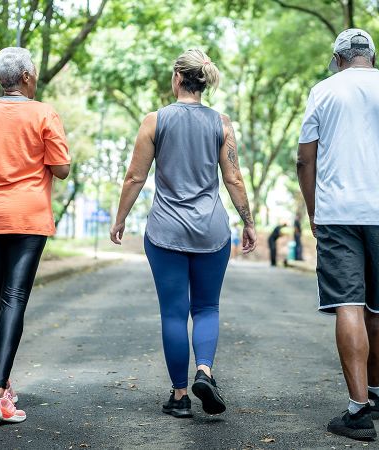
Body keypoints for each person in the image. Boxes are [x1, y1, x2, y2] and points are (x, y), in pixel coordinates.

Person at [296, 29, 379, 441]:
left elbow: (305, 158)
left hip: (338, 213)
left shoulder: (323, 91)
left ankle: (358, 412)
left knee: (348, 303)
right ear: (370, 57)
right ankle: (377, 394)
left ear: (339, 58)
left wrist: (314, 211)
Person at [110, 49, 257, 419]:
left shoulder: (154, 121)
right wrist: (248, 222)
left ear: (177, 78)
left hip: (165, 231)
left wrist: (120, 219)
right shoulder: (221, 123)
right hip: (212, 231)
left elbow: (135, 177)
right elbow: (234, 178)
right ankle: (204, 371)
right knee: (207, 306)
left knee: (174, 314)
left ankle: (179, 396)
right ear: (203, 82)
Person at [0, 47, 70, 423]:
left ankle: (3, 386)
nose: (36, 75)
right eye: (34, 71)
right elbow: (61, 169)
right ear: (25, 77)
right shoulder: (43, 112)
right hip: (27, 216)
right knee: (14, 297)